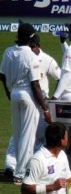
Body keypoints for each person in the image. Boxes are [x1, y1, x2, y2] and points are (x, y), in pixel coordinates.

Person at [0, 23, 51, 185]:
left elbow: (2, 76)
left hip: (14, 95)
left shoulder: (8, 51)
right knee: (28, 138)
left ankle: (18, 171)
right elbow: (35, 85)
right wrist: (45, 108)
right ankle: (21, 174)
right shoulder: (31, 56)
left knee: (18, 134)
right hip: (28, 97)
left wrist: (9, 93)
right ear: (31, 38)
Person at [4, 34, 61, 177]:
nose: (31, 49)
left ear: (38, 46)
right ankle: (12, 166)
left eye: (34, 47)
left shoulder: (46, 59)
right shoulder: (26, 55)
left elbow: (60, 77)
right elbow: (34, 85)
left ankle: (30, 167)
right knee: (20, 135)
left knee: (36, 137)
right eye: (31, 46)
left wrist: (53, 98)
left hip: (40, 102)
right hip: (31, 101)